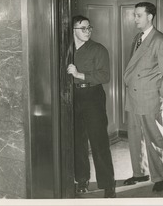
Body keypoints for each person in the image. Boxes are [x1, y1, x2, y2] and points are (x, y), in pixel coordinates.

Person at [123, 2, 163, 192]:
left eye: (138, 15)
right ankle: (140, 172)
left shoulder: (161, 41)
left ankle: (161, 176)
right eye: (135, 15)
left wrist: (159, 97)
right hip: (134, 97)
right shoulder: (138, 38)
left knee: (154, 139)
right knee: (135, 138)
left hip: (150, 98)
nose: (135, 18)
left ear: (150, 17)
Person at [67, 15, 116, 198]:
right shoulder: (67, 50)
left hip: (92, 97)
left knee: (99, 142)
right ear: (73, 31)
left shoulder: (98, 49)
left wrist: (80, 75)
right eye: (83, 28)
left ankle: (108, 185)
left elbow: (105, 76)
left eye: (89, 28)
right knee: (77, 142)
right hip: (72, 98)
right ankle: (82, 179)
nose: (87, 31)